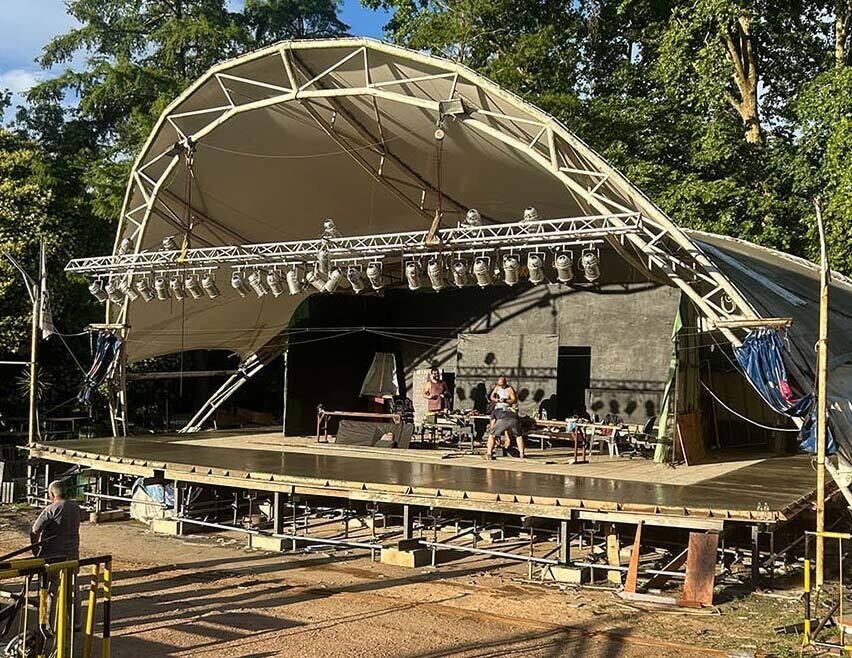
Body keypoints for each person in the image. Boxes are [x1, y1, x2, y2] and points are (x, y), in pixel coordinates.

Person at [31, 480, 83, 630]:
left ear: (52, 494)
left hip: (53, 556)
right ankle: (75, 622)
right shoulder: (75, 507)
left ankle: (47, 623)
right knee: (72, 589)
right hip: (72, 554)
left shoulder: (51, 509)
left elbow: (35, 530)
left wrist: (36, 550)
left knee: (49, 591)